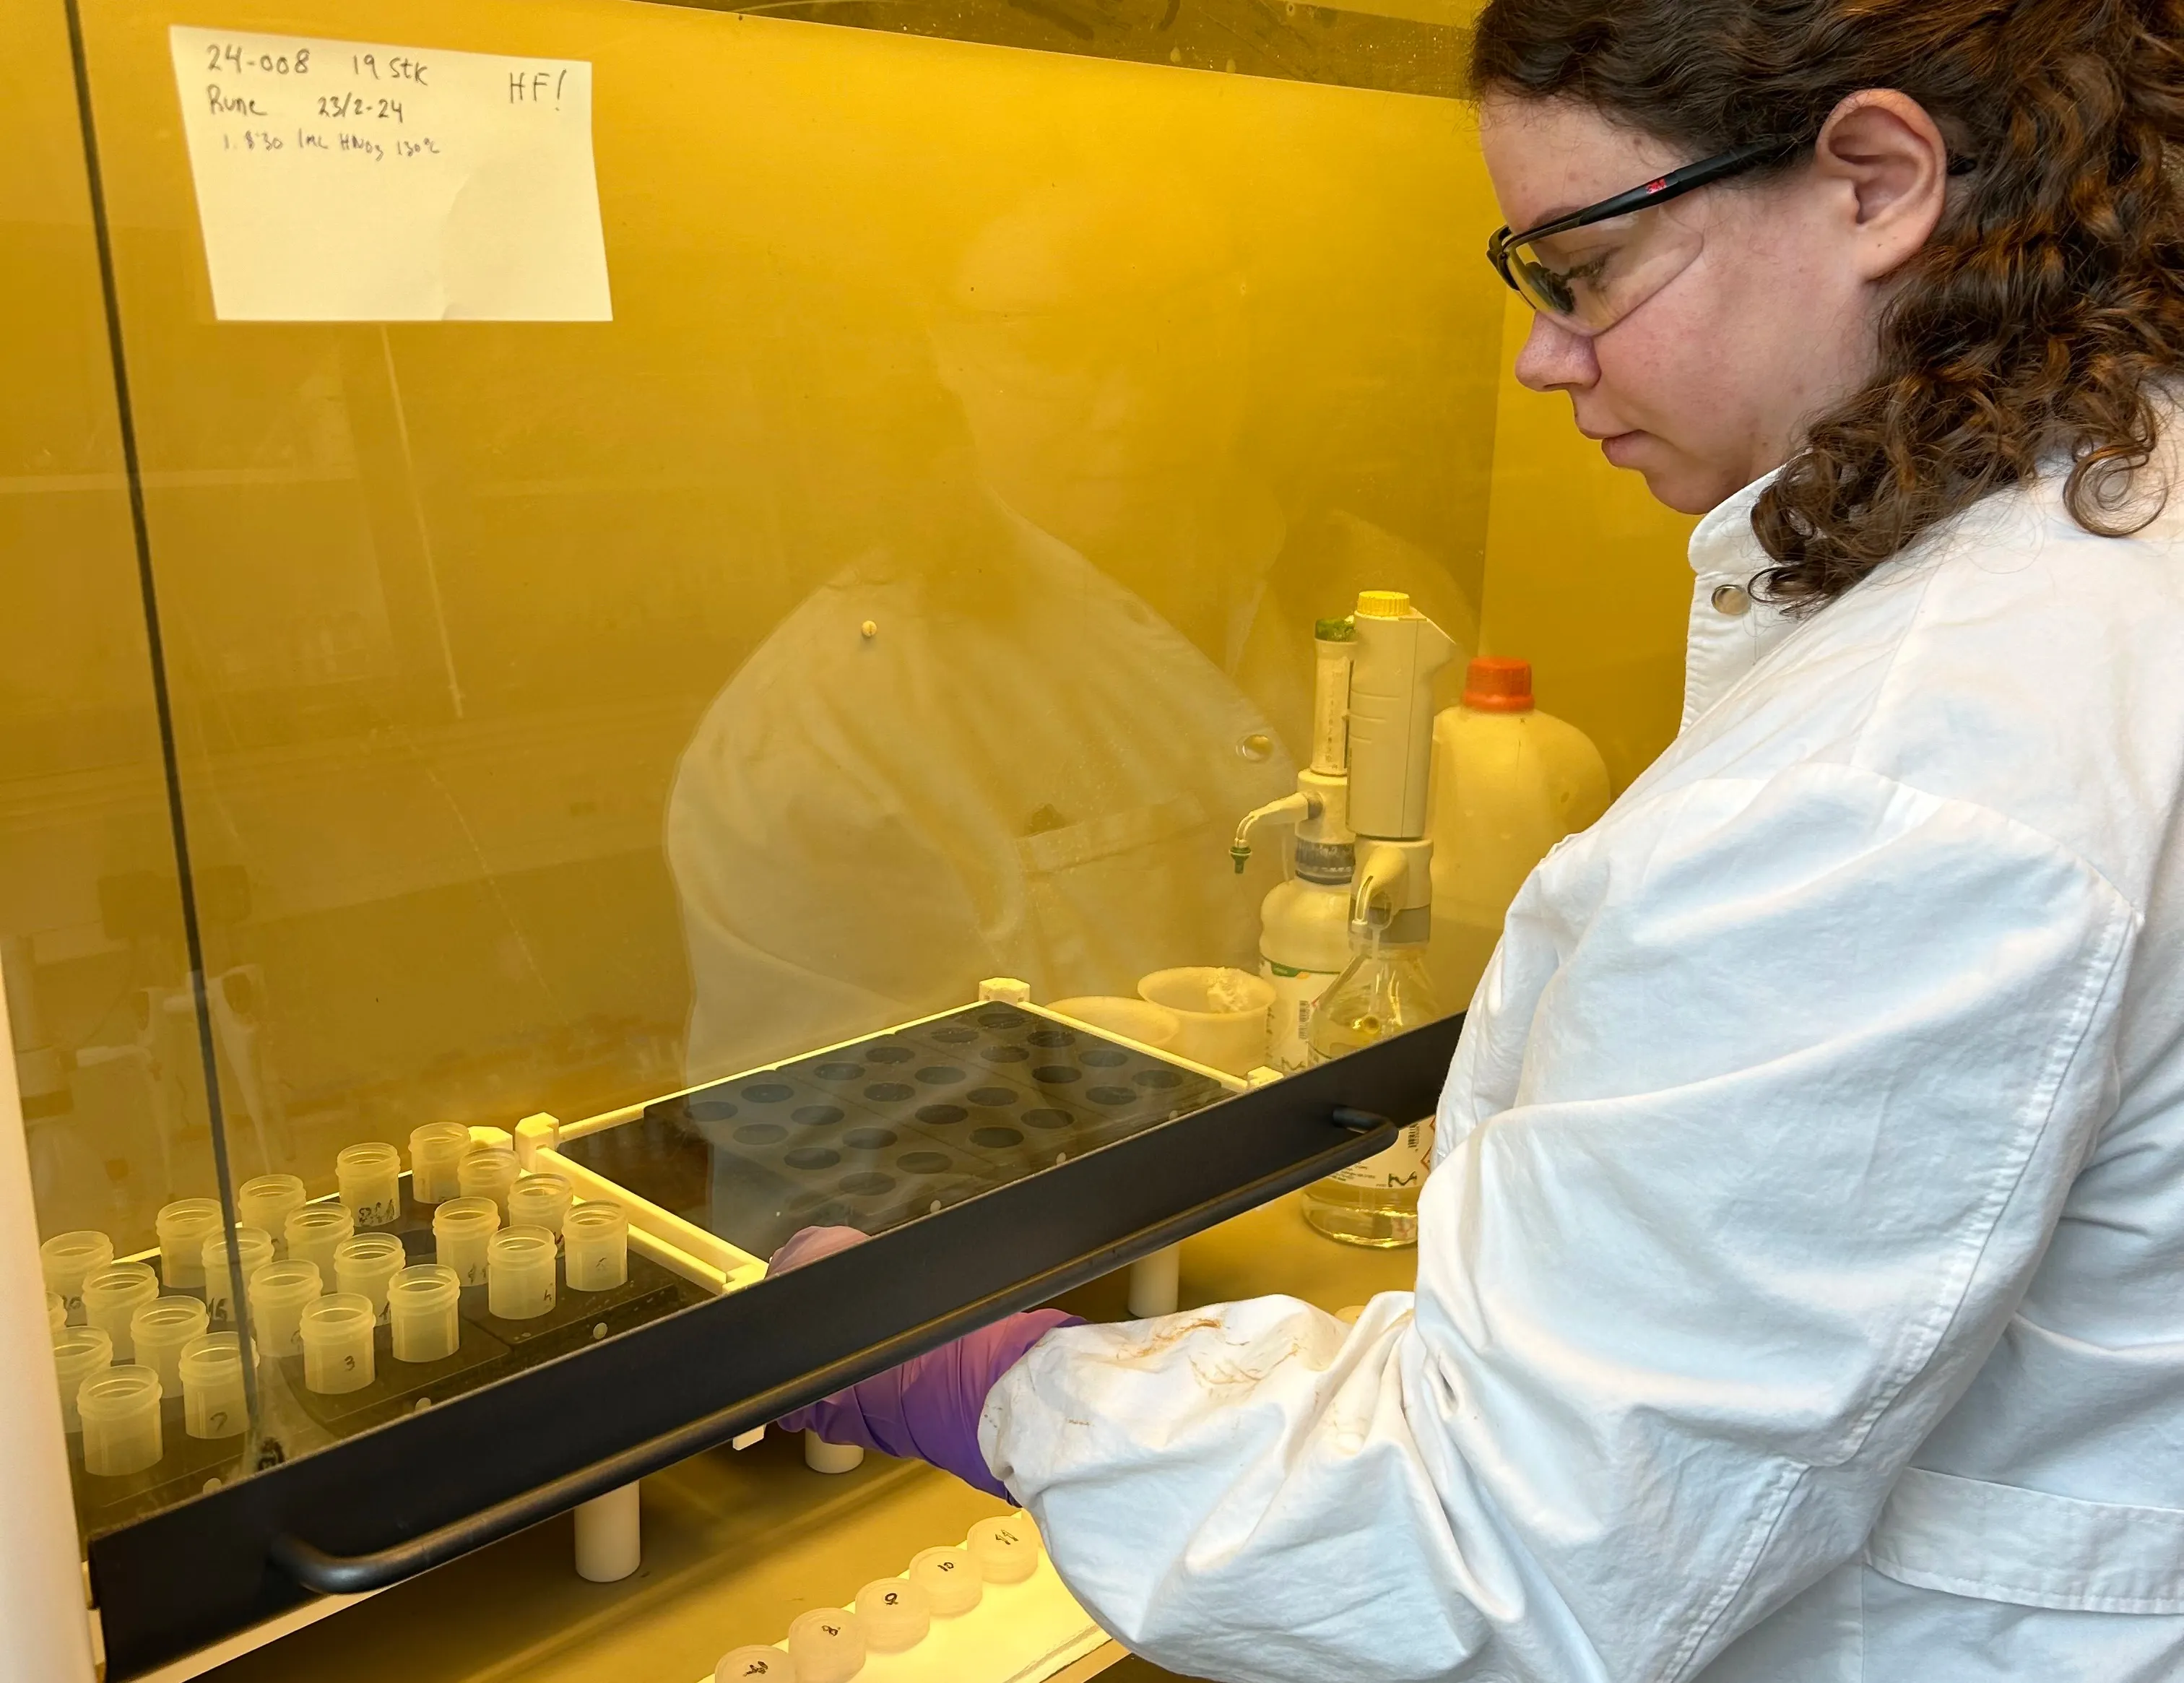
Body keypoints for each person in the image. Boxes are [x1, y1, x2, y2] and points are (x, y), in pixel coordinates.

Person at [769, 1, 2184, 1677]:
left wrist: (990, 1376)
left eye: (1583, 269)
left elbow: (1494, 1547)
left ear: (1873, 179)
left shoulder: (1903, 769)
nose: (1545, 355)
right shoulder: (2112, 534)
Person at [665, 181, 1474, 1084]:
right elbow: (843, 1158)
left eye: (1178, 326)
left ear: (1246, 327)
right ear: (944, 351)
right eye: (1050, 346)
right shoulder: (822, 725)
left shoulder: (1388, 596)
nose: (1131, 401)